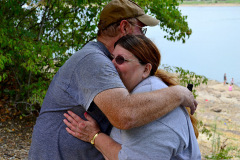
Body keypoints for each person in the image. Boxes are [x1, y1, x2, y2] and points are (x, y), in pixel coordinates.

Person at [29, 0, 197, 159]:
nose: (143, 38)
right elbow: (125, 114)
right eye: (142, 30)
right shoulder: (94, 59)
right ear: (124, 27)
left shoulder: (103, 59)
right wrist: (179, 93)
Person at [64, 35, 201, 160]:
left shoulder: (150, 107)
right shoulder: (142, 96)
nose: (111, 65)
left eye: (120, 60)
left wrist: (94, 136)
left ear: (146, 70)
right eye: (111, 58)